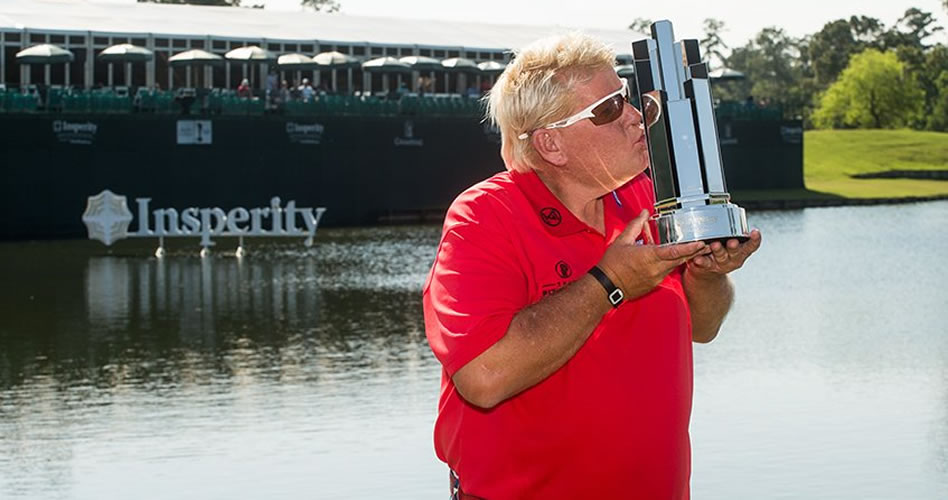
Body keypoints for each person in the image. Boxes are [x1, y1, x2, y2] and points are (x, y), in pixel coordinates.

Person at [423, 33, 761, 499]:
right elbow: (484, 377)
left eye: (625, 98)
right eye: (607, 110)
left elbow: (702, 326)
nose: (636, 117)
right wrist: (610, 283)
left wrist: (708, 272)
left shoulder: (644, 196)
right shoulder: (484, 216)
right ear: (551, 144)